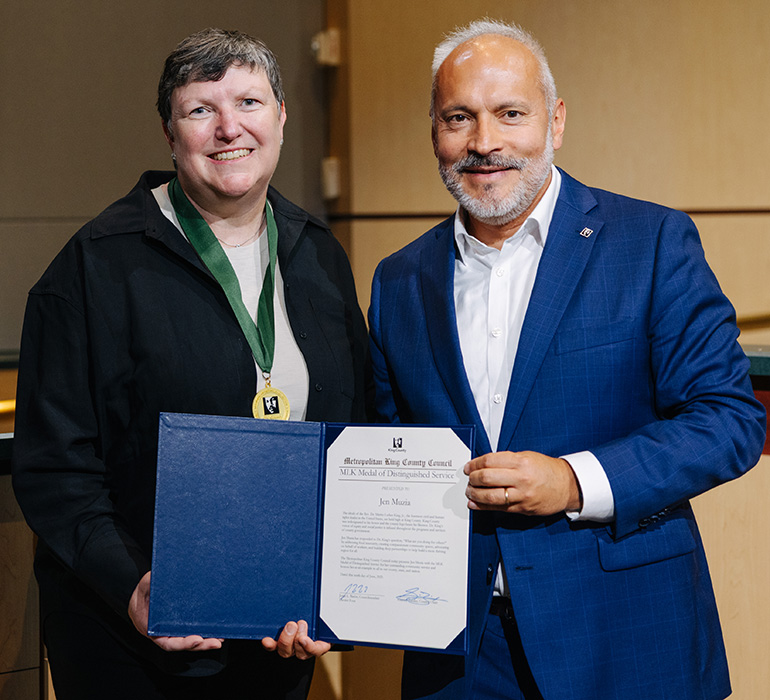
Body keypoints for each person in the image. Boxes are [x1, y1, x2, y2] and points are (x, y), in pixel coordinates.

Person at [368, 18, 766, 700]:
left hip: (626, 639)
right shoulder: (399, 279)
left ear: (555, 122)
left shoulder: (651, 242)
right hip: (460, 658)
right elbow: (382, 451)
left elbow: (729, 421)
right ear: (433, 131)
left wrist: (576, 482)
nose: (484, 142)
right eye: (458, 117)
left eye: (510, 114)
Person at [12, 28, 368, 700]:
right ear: (171, 136)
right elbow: (54, 469)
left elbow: (358, 430)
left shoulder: (319, 254)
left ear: (282, 117)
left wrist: (339, 587)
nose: (229, 127)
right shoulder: (95, 265)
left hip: (277, 637)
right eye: (200, 110)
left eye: (249, 102)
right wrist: (133, 586)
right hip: (133, 640)